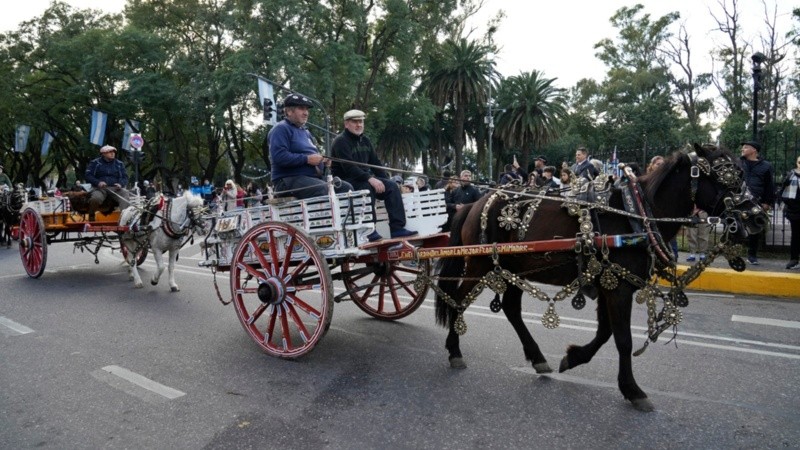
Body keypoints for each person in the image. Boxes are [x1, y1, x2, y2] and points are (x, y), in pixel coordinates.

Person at [331, 109, 416, 240]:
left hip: (364, 178)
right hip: (346, 181)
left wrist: (385, 180)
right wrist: (371, 179)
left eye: (361, 122)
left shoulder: (365, 140)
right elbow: (349, 168)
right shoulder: (340, 141)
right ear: (346, 124)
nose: (359, 125)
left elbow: (375, 163)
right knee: (367, 187)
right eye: (355, 122)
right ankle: (370, 230)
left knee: (392, 186)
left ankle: (397, 228)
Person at [269, 93, 352, 199]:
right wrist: (307, 159)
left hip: (310, 179)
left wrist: (323, 161)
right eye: (301, 109)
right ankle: (326, 216)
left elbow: (313, 157)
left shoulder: (305, 132)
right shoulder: (280, 129)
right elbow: (279, 156)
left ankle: (344, 216)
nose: (306, 113)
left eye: (307, 109)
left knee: (345, 188)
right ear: (289, 111)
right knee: (322, 188)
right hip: (287, 180)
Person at [740, 140, 775, 265]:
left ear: (754, 150)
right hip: (738, 200)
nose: (742, 149)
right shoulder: (739, 163)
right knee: (734, 227)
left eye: (745, 147)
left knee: (754, 228)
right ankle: (733, 253)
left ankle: (752, 255)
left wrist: (767, 202)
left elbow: (770, 186)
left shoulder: (766, 166)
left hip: (756, 201)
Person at [85, 145, 130, 217]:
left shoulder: (119, 164)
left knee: (125, 194)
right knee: (95, 199)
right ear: (103, 154)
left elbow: (125, 177)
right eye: (109, 152)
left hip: (115, 188)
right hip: (100, 189)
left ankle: (125, 217)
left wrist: (120, 184)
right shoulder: (95, 163)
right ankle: (91, 214)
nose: (112, 153)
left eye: (113, 152)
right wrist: (98, 182)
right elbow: (88, 175)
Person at [777, 156, 800, 269]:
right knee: (795, 235)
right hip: (794, 210)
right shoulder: (790, 175)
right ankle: (794, 259)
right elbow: (782, 191)